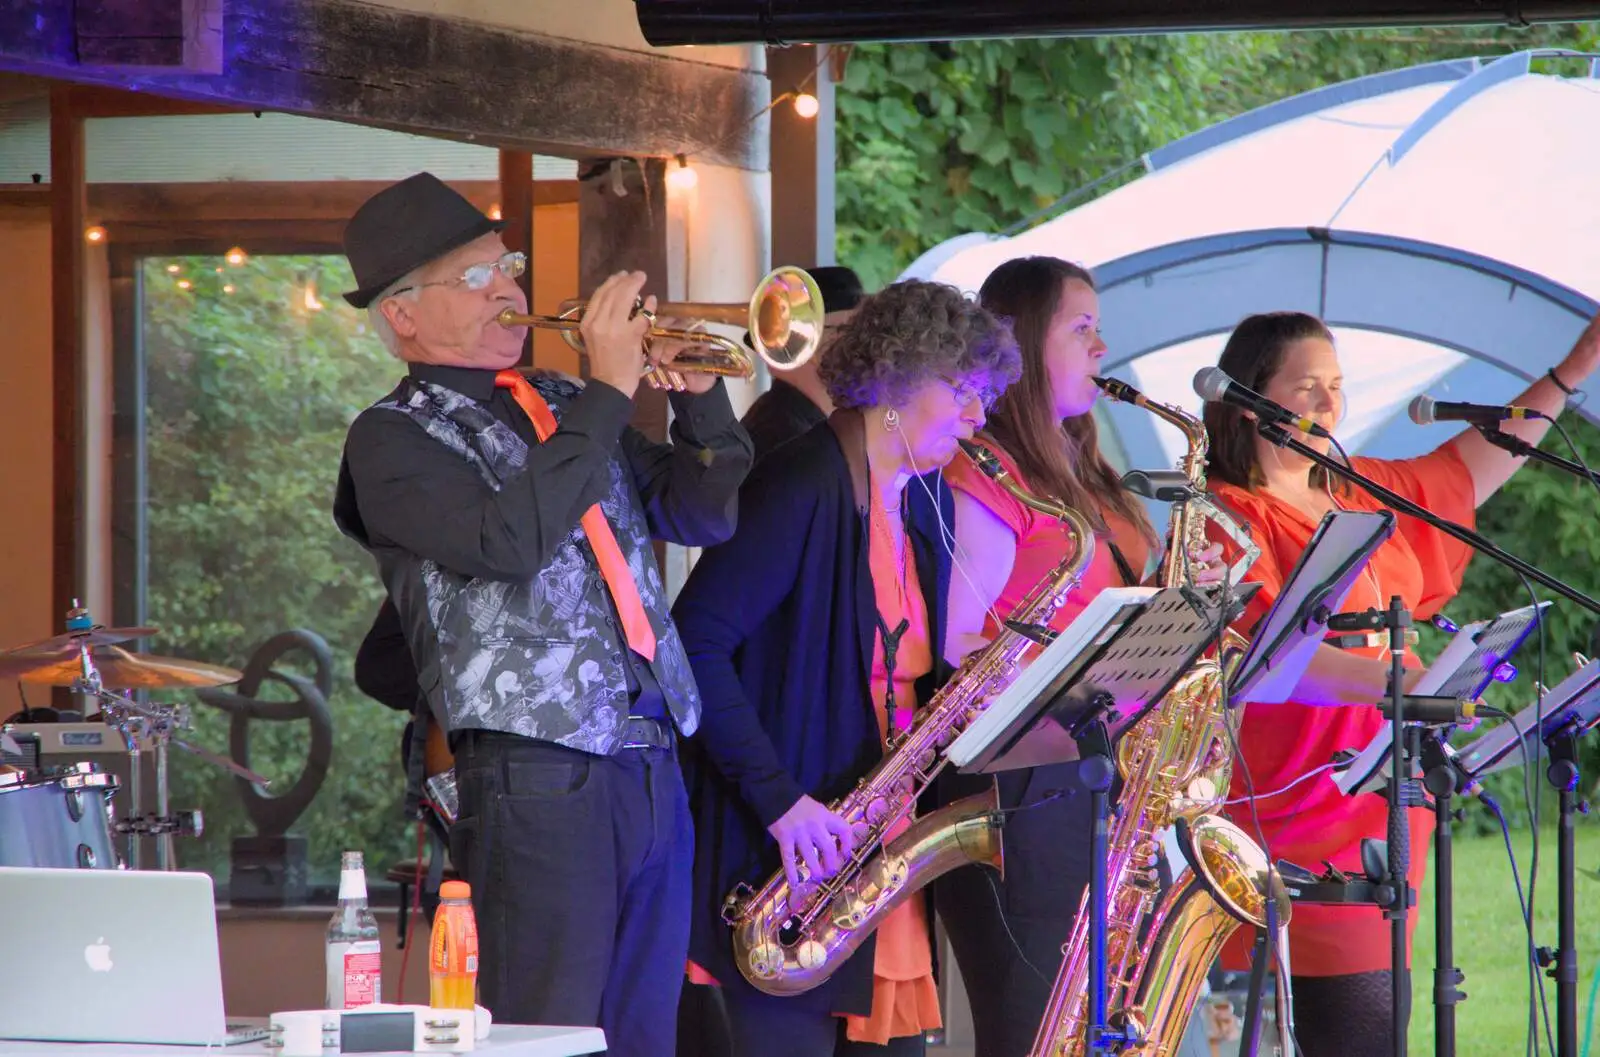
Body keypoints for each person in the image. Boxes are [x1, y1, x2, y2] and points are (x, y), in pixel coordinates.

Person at [331, 171, 754, 1056]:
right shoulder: (393, 437)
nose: (511, 289)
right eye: (476, 277)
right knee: (546, 1034)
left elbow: (701, 514)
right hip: (536, 775)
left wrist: (696, 398)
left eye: (507, 264)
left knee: (645, 1033)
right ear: (402, 317)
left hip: (649, 759)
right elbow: (506, 540)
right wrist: (606, 391)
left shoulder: (558, 403)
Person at [1202, 308, 1600, 1057]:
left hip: (1389, 810)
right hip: (1299, 822)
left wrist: (1572, 370)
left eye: (1338, 385)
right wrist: (1405, 682)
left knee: (1382, 1027)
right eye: (1307, 385)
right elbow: (1266, 661)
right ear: (1250, 400)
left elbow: (1472, 467)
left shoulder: (1360, 491)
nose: (1329, 403)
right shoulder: (1228, 517)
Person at [673, 279, 1022, 1056]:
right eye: (962, 391)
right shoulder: (799, 484)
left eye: (983, 397)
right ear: (895, 381)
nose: (978, 416)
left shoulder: (920, 496)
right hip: (782, 858)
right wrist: (782, 801)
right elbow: (693, 643)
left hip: (866, 858)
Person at [933, 255, 1220, 1057]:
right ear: (1022, 342)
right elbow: (961, 650)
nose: (1102, 347)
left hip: (1103, 781)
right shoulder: (985, 471)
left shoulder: (1089, 473)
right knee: (1035, 1029)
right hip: (1022, 788)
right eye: (1081, 327)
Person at [739, 265, 865, 461]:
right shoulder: (781, 436)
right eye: (847, 329)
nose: (863, 342)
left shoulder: (798, 422)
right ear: (800, 339)